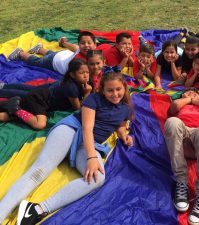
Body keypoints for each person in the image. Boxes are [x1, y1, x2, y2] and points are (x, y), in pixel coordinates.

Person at [0, 66, 134, 225]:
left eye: (118, 89)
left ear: (124, 88)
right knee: (40, 171)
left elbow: (119, 123)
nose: (115, 94)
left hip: (88, 144)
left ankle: (38, 209)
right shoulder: (93, 100)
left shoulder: (125, 108)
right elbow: (87, 127)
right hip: (71, 130)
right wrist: (91, 157)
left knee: (98, 178)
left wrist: (123, 134)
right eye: (110, 90)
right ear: (102, 90)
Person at [164, 87, 199, 225]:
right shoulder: (180, 104)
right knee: (172, 122)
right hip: (182, 140)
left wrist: (195, 100)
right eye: (188, 92)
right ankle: (181, 181)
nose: (192, 93)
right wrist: (189, 99)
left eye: (195, 92)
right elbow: (174, 106)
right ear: (182, 95)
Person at [0, 59, 92, 130]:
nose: (85, 75)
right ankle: (14, 107)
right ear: (72, 75)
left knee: (6, 115)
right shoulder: (71, 88)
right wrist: (87, 93)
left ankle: (11, 103)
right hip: (40, 99)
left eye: (87, 72)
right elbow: (78, 108)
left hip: (44, 95)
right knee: (39, 122)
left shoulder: (79, 82)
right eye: (81, 73)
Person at [8, 31, 97, 75]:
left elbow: (74, 47)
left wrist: (63, 43)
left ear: (95, 45)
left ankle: (39, 49)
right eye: (83, 43)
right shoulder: (79, 61)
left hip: (62, 54)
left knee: (50, 54)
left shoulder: (83, 51)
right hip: (55, 62)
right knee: (36, 61)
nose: (86, 45)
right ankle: (20, 53)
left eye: (89, 43)